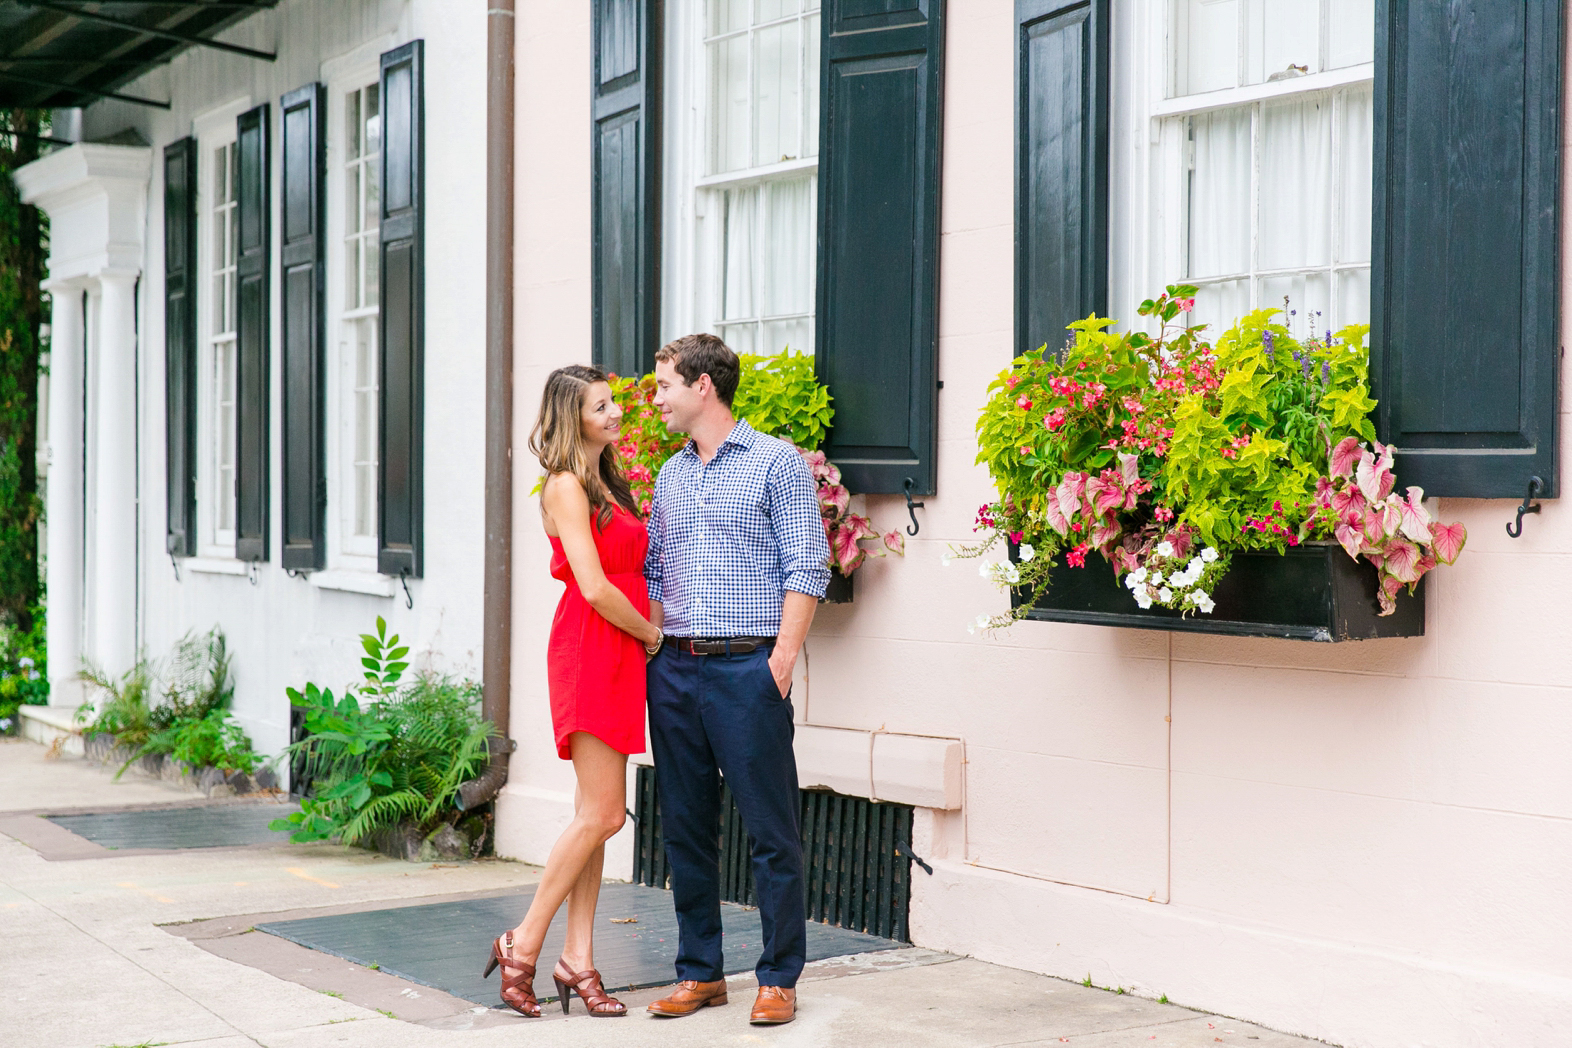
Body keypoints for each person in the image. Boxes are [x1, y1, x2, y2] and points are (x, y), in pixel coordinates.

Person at [641, 334, 832, 1026]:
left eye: (664, 385)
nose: (655, 399)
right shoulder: (670, 475)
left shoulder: (777, 463)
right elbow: (656, 571)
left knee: (770, 830)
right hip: (677, 670)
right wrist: (657, 649)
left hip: (749, 668)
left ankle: (778, 976)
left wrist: (779, 661)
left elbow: (807, 565)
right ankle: (701, 973)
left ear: (702, 387)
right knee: (685, 829)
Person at [485, 364, 663, 1018]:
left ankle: (579, 958)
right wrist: (651, 634)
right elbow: (592, 585)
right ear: (572, 416)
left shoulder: (605, 482)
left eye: (613, 402)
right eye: (601, 406)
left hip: (616, 647)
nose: (616, 413)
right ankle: (524, 941)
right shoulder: (564, 486)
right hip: (595, 646)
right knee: (605, 815)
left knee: (596, 813)